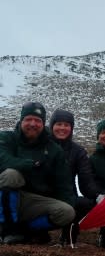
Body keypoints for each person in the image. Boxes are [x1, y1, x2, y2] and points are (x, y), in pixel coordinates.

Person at [0, 102, 75, 244]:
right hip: (4, 195)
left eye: (38, 120)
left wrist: (69, 218)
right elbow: (2, 159)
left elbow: (63, 183)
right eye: (28, 119)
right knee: (12, 175)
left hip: (33, 201)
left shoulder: (54, 150)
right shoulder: (6, 138)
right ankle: (8, 229)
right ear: (21, 121)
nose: (33, 124)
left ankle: (28, 230)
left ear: (43, 123)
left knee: (67, 212)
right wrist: (30, 164)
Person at [49, 109, 100, 245]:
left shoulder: (78, 151)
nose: (62, 128)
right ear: (52, 126)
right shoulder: (42, 146)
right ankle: (36, 232)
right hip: (41, 194)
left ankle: (69, 234)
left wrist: (97, 195)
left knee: (86, 204)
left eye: (66, 125)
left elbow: (86, 180)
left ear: (71, 128)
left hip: (66, 196)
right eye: (59, 124)